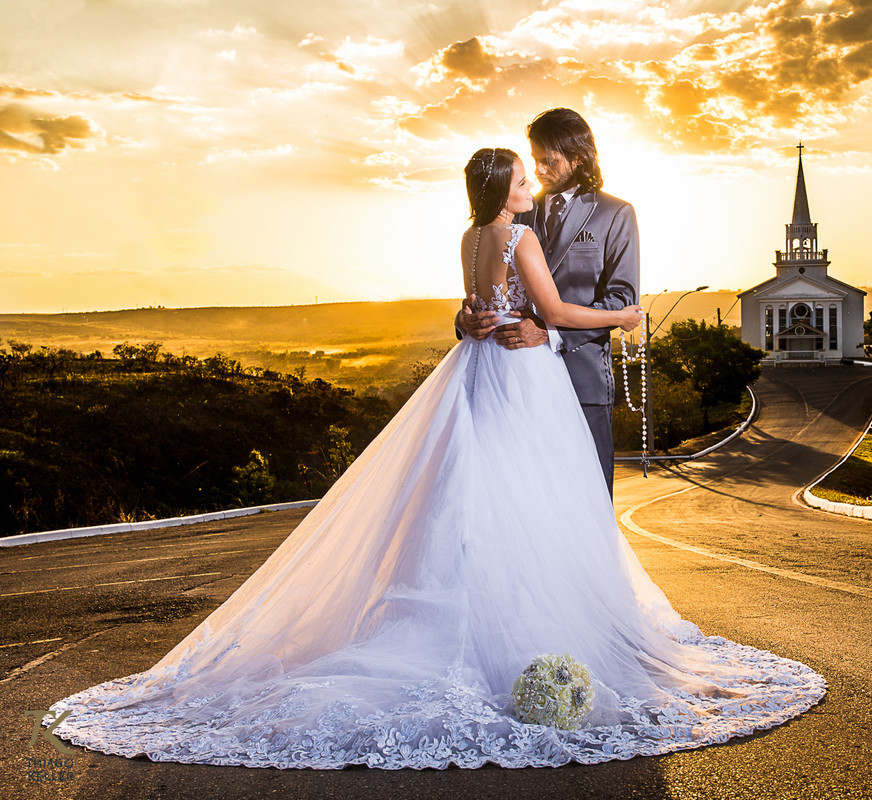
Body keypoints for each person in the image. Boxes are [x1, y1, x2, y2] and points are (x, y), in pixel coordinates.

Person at [42, 147, 825, 770]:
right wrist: (620, 314)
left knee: (473, 494)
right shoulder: (518, 235)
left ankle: (461, 608)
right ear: (504, 190)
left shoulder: (470, 235)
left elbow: (483, 309)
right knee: (534, 500)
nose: (528, 182)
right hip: (523, 377)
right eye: (519, 176)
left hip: (481, 372)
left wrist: (491, 318)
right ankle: (527, 624)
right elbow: (549, 312)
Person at [457, 108, 636, 496]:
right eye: (533, 159)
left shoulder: (616, 214)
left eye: (547, 160)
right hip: (513, 383)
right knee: (523, 501)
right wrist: (465, 318)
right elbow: (487, 288)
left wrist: (549, 333)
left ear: (578, 157)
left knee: (589, 505)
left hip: (582, 379)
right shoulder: (518, 207)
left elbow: (623, 297)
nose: (537, 169)